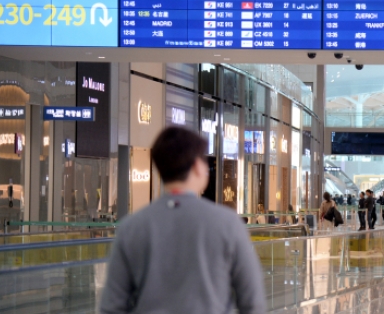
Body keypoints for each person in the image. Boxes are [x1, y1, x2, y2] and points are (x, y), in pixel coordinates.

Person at [100, 127, 265, 314]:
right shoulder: (228, 224)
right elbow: (253, 302)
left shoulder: (131, 228)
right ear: (196, 166)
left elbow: (111, 307)